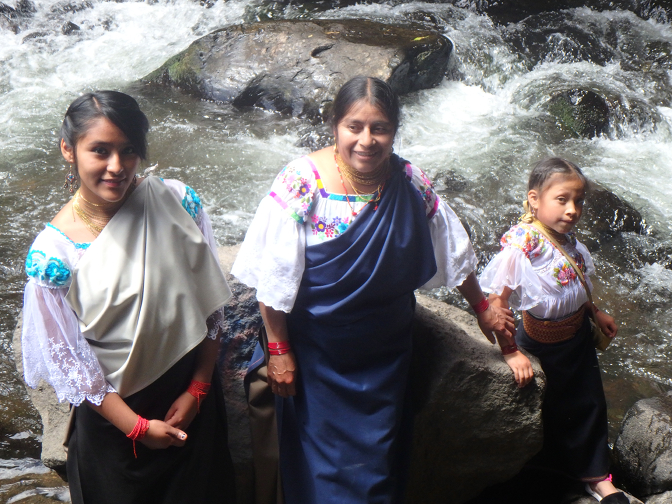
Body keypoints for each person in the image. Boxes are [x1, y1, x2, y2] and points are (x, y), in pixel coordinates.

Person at [231, 76, 515, 504]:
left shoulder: (410, 181)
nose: (366, 140)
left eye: (379, 128)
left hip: (384, 357)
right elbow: (274, 278)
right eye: (354, 127)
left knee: (377, 470)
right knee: (320, 473)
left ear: (395, 130)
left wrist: (481, 306)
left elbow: (451, 247)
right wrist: (277, 350)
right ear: (335, 127)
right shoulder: (302, 183)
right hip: (316, 359)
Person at [21, 91, 236, 503]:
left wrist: (199, 389)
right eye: (99, 151)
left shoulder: (178, 203)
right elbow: (74, 367)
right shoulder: (54, 255)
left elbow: (211, 304)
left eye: (128, 150)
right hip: (116, 430)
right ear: (69, 149)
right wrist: (137, 427)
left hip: (191, 405)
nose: (116, 167)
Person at [479, 158, 627, 503]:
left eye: (579, 201)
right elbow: (496, 305)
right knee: (550, 406)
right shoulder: (524, 242)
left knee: (590, 403)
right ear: (534, 198)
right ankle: (552, 475)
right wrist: (511, 351)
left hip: (576, 338)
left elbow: (573, 287)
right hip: (539, 343)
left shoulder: (568, 239)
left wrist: (594, 311)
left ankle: (598, 478)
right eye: (562, 199)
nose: (573, 209)